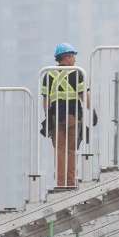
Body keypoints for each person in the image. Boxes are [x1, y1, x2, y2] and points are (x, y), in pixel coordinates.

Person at [41, 43, 91, 188]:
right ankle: (70, 182)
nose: (74, 59)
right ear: (67, 57)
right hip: (73, 117)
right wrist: (91, 110)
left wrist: (47, 118)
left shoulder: (48, 73)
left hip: (55, 118)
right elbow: (84, 95)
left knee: (59, 150)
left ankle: (60, 183)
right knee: (70, 150)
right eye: (73, 56)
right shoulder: (76, 72)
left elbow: (46, 100)